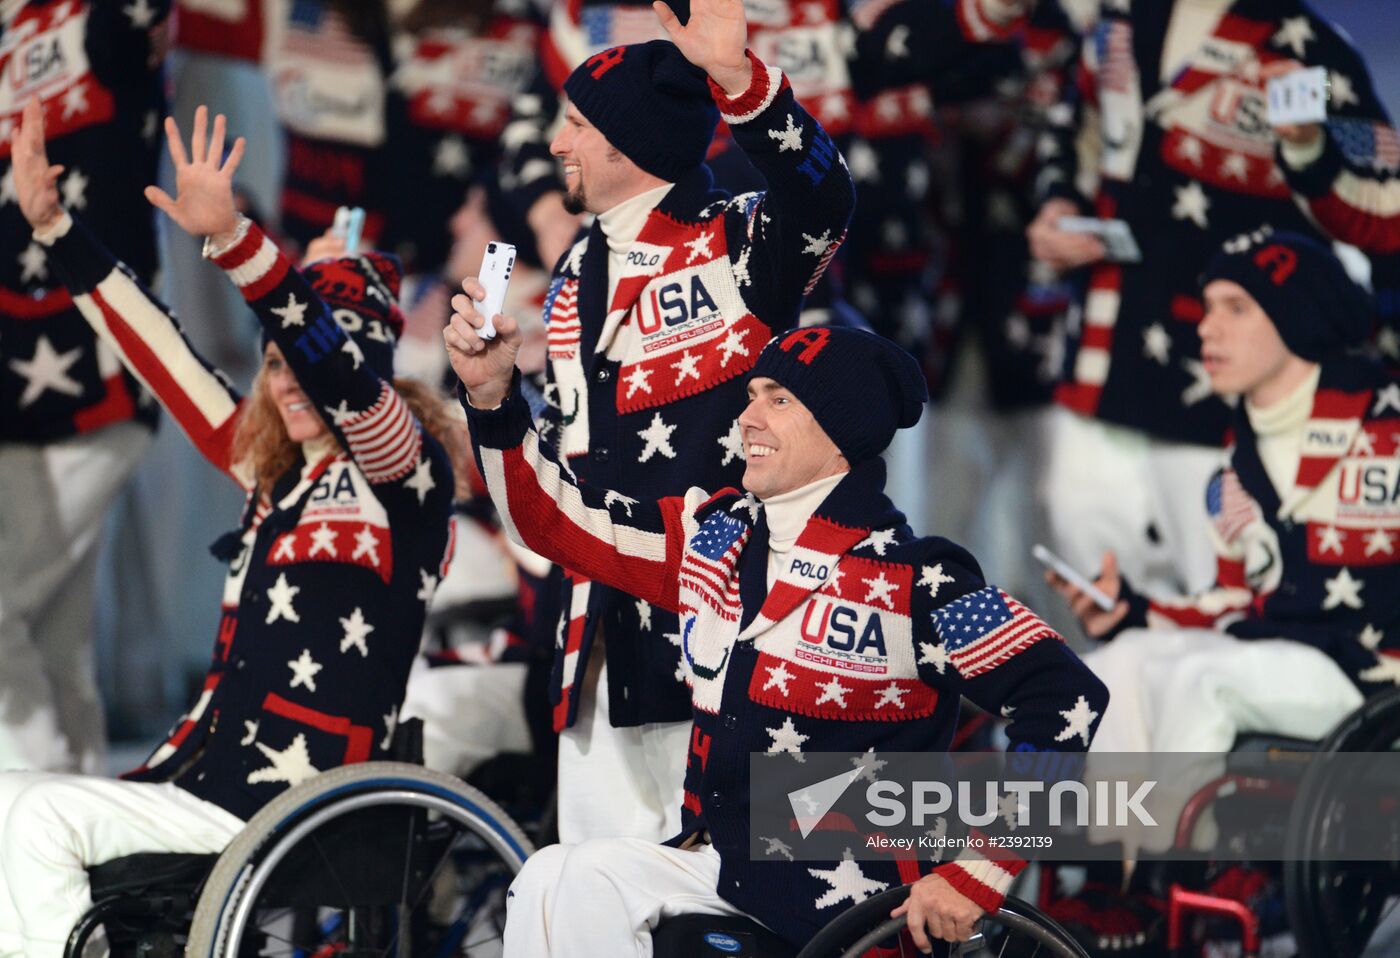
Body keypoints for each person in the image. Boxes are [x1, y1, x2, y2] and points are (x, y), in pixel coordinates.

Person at [444, 302, 1109, 951]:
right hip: (724, 870)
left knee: (577, 880)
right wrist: (495, 403)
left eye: (779, 400)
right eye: (753, 393)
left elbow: (1068, 700)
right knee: (553, 877)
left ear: (839, 429)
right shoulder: (716, 536)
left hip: (852, 912)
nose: (747, 415)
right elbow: (557, 521)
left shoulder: (918, 580)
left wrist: (977, 874)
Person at [0, 100, 456, 957]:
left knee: (30, 817)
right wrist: (57, 228)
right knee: (8, 802)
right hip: (203, 786)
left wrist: (240, 243)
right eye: (273, 364)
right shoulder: (272, 473)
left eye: (302, 363)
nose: (285, 381)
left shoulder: (406, 473)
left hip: (288, 810)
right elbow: (163, 355)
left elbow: (333, 364)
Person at [519, 0, 857, 846]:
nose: (557, 144)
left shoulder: (732, 239)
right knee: (586, 905)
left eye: (574, 125)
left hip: (708, 649)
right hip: (588, 650)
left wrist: (743, 84)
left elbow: (824, 202)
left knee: (699, 910)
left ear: (627, 141)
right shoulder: (576, 264)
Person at [1028, 0, 1400, 602]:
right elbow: (1077, 128)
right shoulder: (1117, 20)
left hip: (1226, 391)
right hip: (1103, 355)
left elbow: (1381, 208)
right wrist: (1060, 203)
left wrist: (1309, 148)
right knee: (1094, 587)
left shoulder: (1308, 47)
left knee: (1223, 596)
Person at [1051, 229, 1399, 755]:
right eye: (1208, 307)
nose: (1206, 328)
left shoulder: (1388, 430)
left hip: (1377, 685)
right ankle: (1105, 834)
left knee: (1201, 681)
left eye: (1236, 308)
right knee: (1113, 668)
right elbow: (1234, 601)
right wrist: (1132, 612)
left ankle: (1167, 839)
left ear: (1298, 318)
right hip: (1283, 658)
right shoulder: (1237, 464)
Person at [0, 0, 168, 773]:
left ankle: (31, 829)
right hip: (18, 395)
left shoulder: (103, 19)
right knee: (57, 646)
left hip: (98, 367)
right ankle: (91, 861)